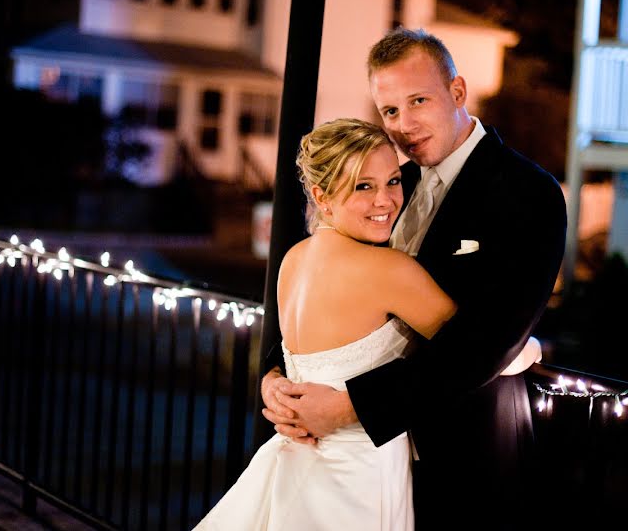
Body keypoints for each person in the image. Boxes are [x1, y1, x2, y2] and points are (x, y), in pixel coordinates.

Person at [261, 28, 567, 529]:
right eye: (389, 111)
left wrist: (350, 408)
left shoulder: (528, 193)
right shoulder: (389, 183)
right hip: (376, 464)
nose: (403, 124)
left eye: (418, 100)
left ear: (458, 92)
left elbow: (490, 341)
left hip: (468, 452)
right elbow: (337, 291)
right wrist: (276, 375)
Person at [194, 118, 541, 530]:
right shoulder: (388, 270)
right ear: (322, 196)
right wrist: (533, 346)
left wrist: (272, 381)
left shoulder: (293, 261)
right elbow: (484, 351)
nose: (386, 201)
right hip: (359, 478)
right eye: (363, 186)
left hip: (295, 459)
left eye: (393, 181)